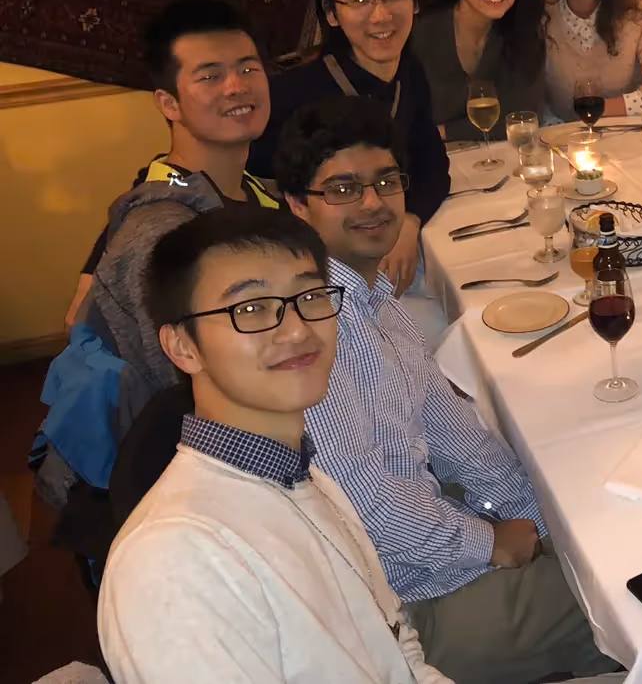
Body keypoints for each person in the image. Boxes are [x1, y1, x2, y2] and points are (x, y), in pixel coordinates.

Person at [277, 98, 615, 684]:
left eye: (385, 181)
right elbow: (368, 509)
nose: (373, 203)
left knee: (608, 523)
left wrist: (542, 523)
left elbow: (457, 437)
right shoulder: (311, 336)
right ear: (298, 206)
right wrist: (491, 542)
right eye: (343, 189)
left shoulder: (373, 299)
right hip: (412, 609)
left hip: (442, 551)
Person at [98, 204, 453, 683]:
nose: (297, 329)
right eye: (251, 309)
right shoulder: (173, 562)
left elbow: (397, 645)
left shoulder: (304, 476)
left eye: (310, 296)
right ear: (183, 346)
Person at [36, 0, 277, 513]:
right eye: (210, 76)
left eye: (248, 68)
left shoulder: (248, 189)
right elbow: (196, 397)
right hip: (179, 484)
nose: (237, 87)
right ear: (168, 103)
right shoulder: (163, 237)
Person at [248, 0, 450, 296]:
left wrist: (409, 221)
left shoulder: (409, 71)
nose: (380, 14)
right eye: (359, 0)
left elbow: (431, 163)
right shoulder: (292, 95)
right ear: (330, 13)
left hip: (386, 254)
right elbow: (262, 200)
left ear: (414, 1)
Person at [410, 0, 548, 141]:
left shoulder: (524, 33)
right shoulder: (420, 33)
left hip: (495, 161)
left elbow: (525, 119)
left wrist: (442, 132)